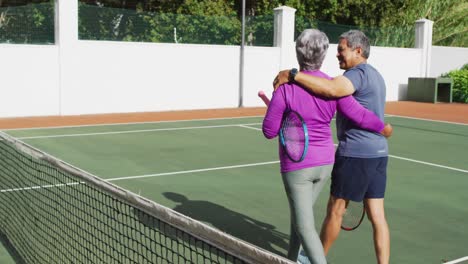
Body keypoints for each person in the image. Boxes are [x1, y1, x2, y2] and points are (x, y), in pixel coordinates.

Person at [263, 29, 392, 264]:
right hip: (332, 162)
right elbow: (359, 113)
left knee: (311, 223)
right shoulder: (352, 81)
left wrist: (286, 86)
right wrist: (383, 128)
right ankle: (293, 259)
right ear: (321, 54)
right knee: (374, 217)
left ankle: (314, 260)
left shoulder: (296, 88)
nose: (337, 55)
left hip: (306, 164)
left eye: (341, 50)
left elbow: (269, 131)